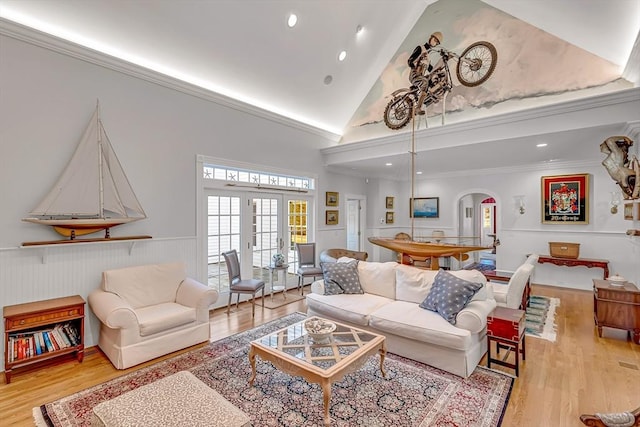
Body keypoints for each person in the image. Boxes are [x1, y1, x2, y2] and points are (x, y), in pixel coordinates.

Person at [407, 31, 442, 114]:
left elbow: (431, 69)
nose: (435, 43)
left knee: (432, 78)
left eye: (437, 42)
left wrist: (439, 71)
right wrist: (414, 68)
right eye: (435, 40)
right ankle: (418, 108)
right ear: (431, 38)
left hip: (421, 77)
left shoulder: (427, 57)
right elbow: (410, 60)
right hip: (415, 75)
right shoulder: (420, 48)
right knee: (425, 82)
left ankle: (431, 97)